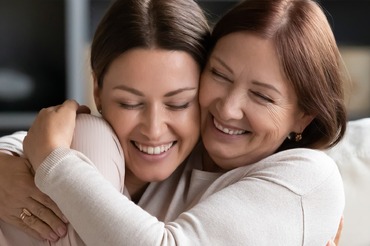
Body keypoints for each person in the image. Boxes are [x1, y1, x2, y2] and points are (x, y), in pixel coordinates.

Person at [1, 0, 348, 245]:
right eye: (220, 75)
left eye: (262, 96)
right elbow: (34, 141)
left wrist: (53, 161)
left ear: (305, 114)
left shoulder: (307, 177)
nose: (227, 109)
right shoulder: (182, 147)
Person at [0, 0, 210, 244]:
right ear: (97, 91)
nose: (154, 129)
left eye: (178, 103)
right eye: (130, 103)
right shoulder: (91, 139)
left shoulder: (224, 178)